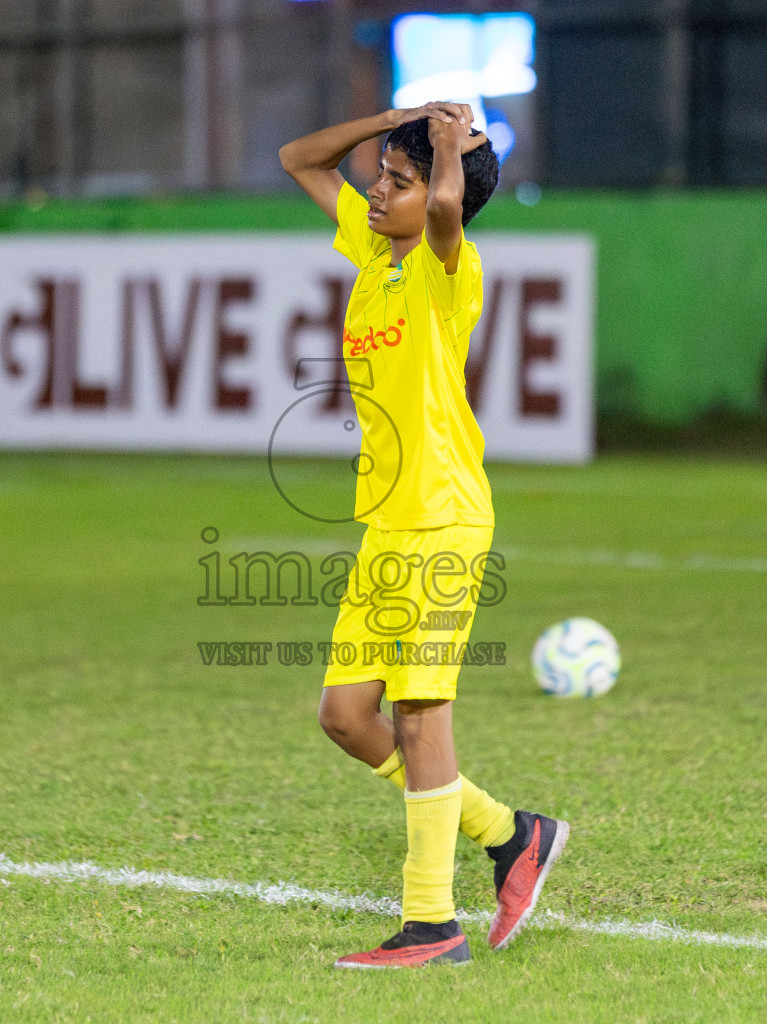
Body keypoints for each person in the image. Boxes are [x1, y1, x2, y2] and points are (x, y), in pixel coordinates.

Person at [279, 102, 569, 969]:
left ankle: (430, 924)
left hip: (443, 516)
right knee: (345, 716)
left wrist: (447, 147)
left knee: (418, 714)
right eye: (380, 175)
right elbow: (300, 154)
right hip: (387, 523)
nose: (377, 190)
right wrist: (400, 118)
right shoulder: (375, 248)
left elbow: (447, 209)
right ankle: (510, 834)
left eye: (396, 184)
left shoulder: (452, 264)